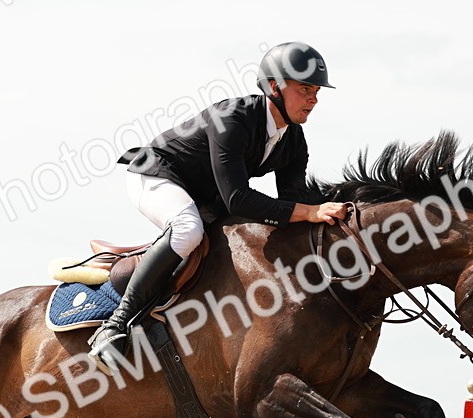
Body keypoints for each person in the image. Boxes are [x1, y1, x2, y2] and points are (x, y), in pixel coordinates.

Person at [88, 41, 349, 374]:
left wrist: (333, 212)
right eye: (304, 89)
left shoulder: (294, 140)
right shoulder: (234, 117)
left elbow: (293, 204)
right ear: (274, 87)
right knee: (187, 229)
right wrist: (309, 211)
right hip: (157, 175)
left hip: (204, 195)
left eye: (316, 91)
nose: (313, 99)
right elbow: (238, 199)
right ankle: (113, 326)